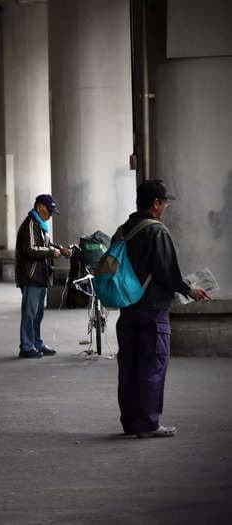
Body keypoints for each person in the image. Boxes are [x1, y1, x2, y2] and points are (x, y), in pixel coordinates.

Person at [115, 180, 210, 438]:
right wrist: (191, 290)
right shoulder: (157, 231)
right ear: (155, 204)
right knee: (152, 365)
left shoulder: (123, 229)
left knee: (129, 367)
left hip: (127, 308)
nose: (165, 207)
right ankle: (148, 424)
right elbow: (168, 272)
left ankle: (130, 422)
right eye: (164, 203)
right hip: (152, 310)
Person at [15, 194, 71, 358]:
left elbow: (44, 245)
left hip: (40, 276)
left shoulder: (40, 225)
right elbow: (31, 249)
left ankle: (36, 343)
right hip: (31, 276)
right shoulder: (31, 225)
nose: (51, 214)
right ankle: (26, 346)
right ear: (40, 207)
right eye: (50, 210)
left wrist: (60, 249)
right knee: (30, 313)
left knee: (38, 314)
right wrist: (52, 252)